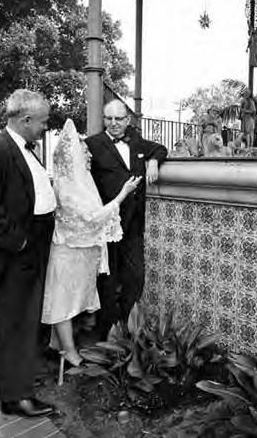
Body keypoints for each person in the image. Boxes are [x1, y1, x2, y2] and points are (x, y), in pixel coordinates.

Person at [0, 89, 56, 418]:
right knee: (18, 322)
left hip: (33, 246)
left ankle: (11, 379)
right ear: (26, 120)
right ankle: (16, 397)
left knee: (23, 320)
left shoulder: (24, 149)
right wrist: (19, 243)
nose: (46, 128)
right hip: (18, 251)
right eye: (43, 122)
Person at [41, 119, 141, 367]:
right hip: (67, 253)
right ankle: (70, 353)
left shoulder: (82, 180)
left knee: (70, 301)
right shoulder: (67, 186)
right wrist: (123, 193)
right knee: (62, 303)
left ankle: (56, 346)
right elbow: (92, 217)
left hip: (81, 253)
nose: (89, 155)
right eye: (84, 151)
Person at [86, 100, 168, 341]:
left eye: (119, 119)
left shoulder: (136, 141)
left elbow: (160, 148)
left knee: (135, 278)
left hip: (132, 226)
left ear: (128, 120)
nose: (113, 124)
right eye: (109, 118)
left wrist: (152, 161)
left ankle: (124, 328)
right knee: (108, 282)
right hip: (107, 227)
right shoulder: (92, 145)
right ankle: (105, 336)